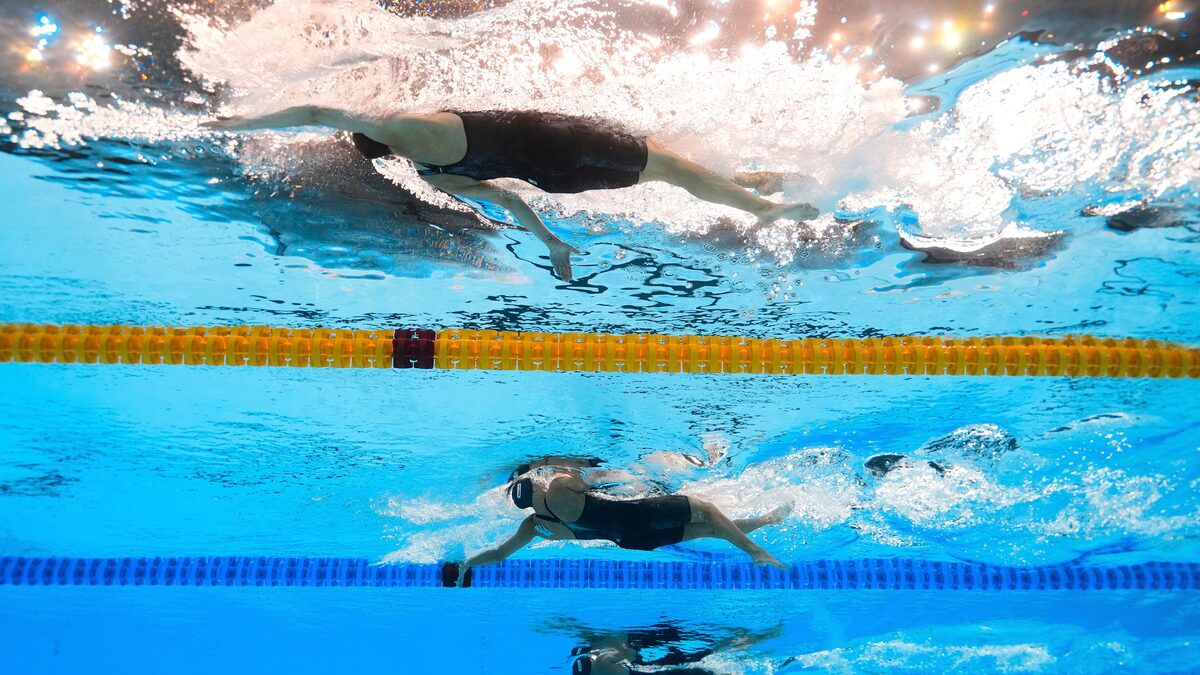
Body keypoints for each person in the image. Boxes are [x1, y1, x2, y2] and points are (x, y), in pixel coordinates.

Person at [203, 108, 820, 281]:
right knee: (672, 164)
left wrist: (552, 244)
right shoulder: (406, 126)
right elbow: (316, 111)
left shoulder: (430, 173)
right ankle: (764, 208)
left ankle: (757, 186)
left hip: (556, 177)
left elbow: (511, 202)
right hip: (559, 138)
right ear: (382, 138)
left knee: (671, 169)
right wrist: (240, 124)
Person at [453, 468, 790, 586]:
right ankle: (757, 552)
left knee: (713, 528)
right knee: (708, 510)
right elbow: (591, 477)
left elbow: (498, 554)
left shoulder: (534, 526)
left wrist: (467, 564)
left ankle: (767, 520)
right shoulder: (557, 487)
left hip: (629, 540)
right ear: (537, 484)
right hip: (639, 515)